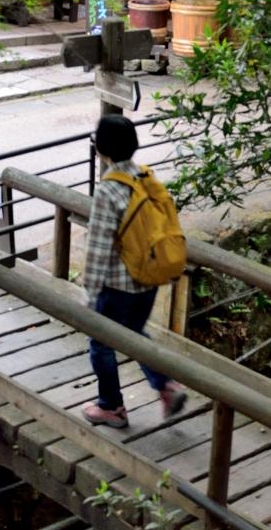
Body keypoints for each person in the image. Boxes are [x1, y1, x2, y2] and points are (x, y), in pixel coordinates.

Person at [81, 116, 187, 428]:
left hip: (117, 285)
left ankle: (111, 407)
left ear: (101, 148)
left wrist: (89, 293)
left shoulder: (108, 190)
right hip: (149, 279)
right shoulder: (145, 177)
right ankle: (166, 387)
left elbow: (99, 247)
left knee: (101, 343)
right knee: (134, 332)